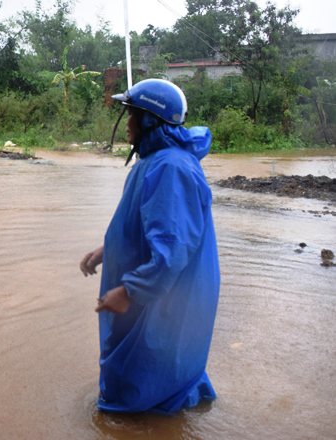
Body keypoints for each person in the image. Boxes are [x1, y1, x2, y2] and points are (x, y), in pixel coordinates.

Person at [79, 79, 220, 413]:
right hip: (151, 288)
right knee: (141, 366)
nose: (126, 125)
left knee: (149, 371)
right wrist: (104, 251)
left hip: (164, 292)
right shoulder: (153, 163)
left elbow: (172, 250)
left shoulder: (171, 168)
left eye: (132, 117)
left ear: (150, 121)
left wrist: (128, 292)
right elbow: (139, 226)